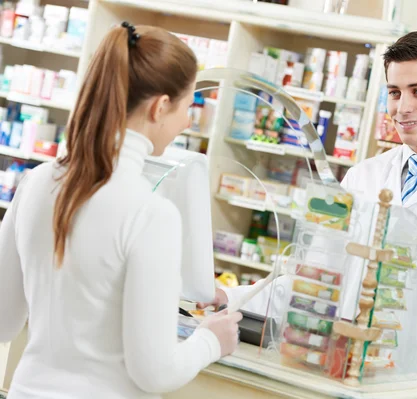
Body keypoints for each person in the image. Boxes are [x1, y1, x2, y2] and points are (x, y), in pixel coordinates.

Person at [202, 31, 417, 375]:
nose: (403, 107)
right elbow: (316, 280)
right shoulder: (362, 177)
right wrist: (233, 298)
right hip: (350, 375)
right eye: (394, 92)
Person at [0, 23, 241, 398]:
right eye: (188, 105)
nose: (188, 122)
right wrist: (211, 340)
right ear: (160, 107)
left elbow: (3, 322)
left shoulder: (35, 182)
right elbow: (155, 373)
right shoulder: (150, 213)